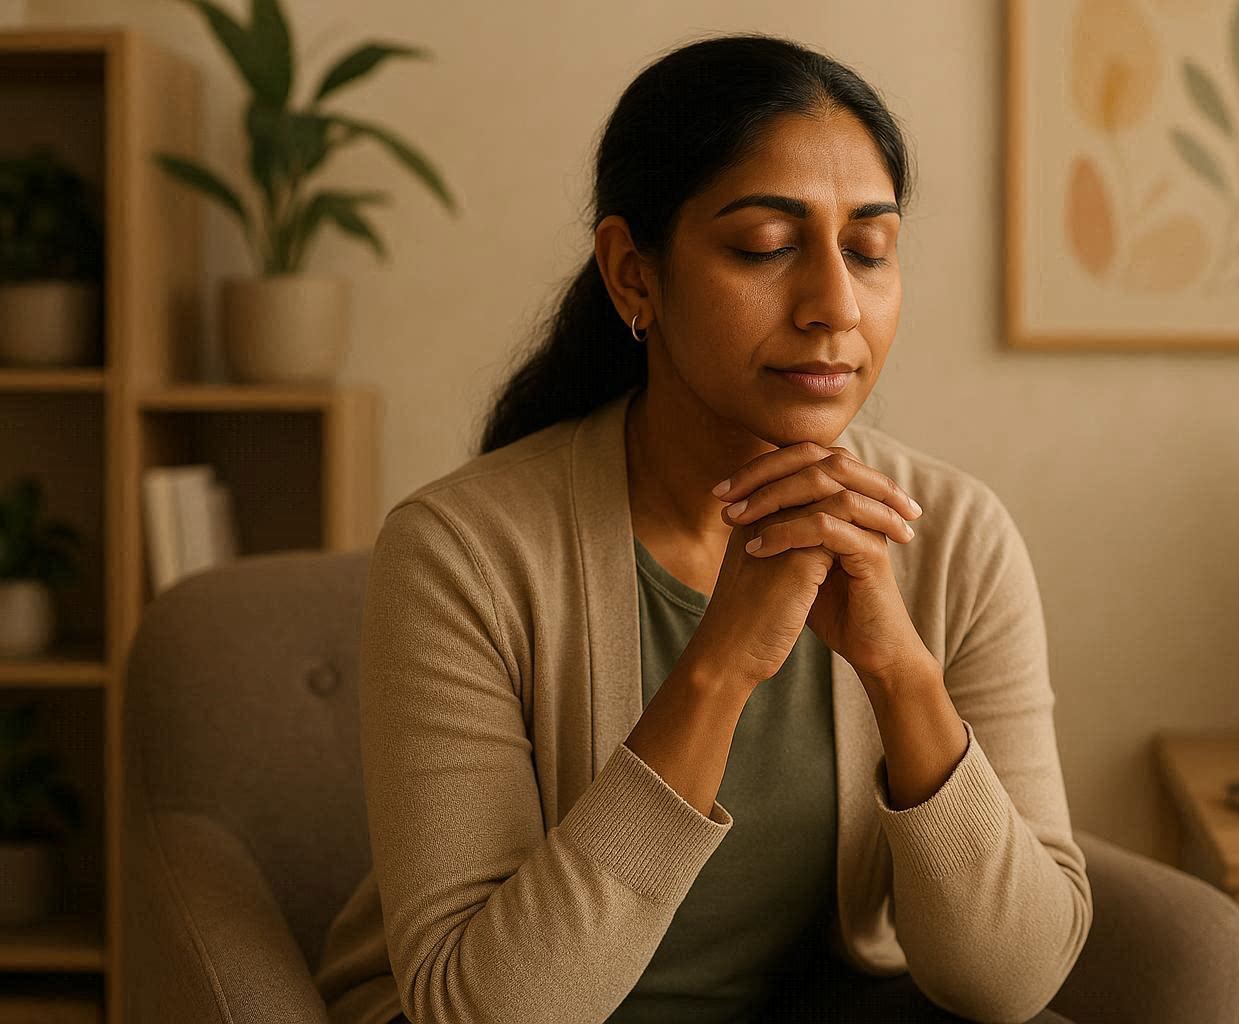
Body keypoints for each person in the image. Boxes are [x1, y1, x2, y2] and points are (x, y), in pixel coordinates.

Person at [312, 31, 1089, 1024]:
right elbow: (488, 1010)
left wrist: (899, 669)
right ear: (633, 274)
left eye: (870, 249)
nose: (834, 305)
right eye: (765, 247)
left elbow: (1012, 983)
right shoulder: (460, 551)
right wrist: (721, 664)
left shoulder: (960, 537)